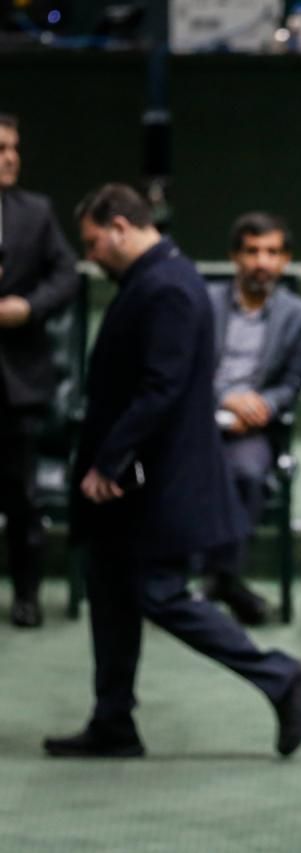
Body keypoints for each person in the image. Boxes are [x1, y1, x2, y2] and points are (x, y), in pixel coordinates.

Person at [43, 184, 301, 759]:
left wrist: (108, 462)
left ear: (120, 227)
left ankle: (281, 675)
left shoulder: (165, 285)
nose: (89, 254)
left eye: (93, 241)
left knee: (157, 592)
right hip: (143, 478)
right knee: (111, 588)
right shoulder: (165, 276)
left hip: (148, 481)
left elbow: (158, 389)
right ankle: (113, 720)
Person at [204, 212, 301, 625]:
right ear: (236, 256)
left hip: (252, 426)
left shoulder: (298, 314)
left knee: (249, 473)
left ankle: (221, 577)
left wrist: (265, 405)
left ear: (285, 260)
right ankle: (222, 580)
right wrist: (227, 396)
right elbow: (187, 367)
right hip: (200, 417)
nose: (261, 262)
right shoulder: (205, 300)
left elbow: (292, 384)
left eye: (271, 252)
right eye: (252, 251)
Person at [0, 113, 80, 627]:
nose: (10, 157)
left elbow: (67, 273)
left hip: (16, 383)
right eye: (0, 148)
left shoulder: (35, 212)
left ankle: (26, 594)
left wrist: (28, 307)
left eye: (13, 148)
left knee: (23, 500)